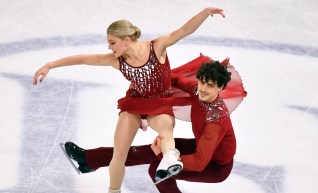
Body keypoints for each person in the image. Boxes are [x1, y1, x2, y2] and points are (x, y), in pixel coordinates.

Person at [33, 6, 226, 193]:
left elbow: (185, 30)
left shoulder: (156, 47)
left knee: (165, 130)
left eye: (112, 42)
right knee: (119, 153)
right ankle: (114, 191)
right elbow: (84, 58)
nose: (109, 47)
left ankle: (170, 159)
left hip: (160, 103)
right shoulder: (116, 60)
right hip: (135, 103)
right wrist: (50, 65)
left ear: (126, 40)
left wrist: (204, 13)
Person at [64, 59, 247, 193]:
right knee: (146, 151)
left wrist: (163, 155)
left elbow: (200, 163)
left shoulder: (216, 121)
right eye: (202, 82)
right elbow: (174, 78)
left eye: (210, 85)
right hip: (202, 148)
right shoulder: (197, 90)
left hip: (214, 166)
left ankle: (90, 160)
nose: (203, 89)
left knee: (158, 170)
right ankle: (88, 160)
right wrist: (149, 79)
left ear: (221, 88)